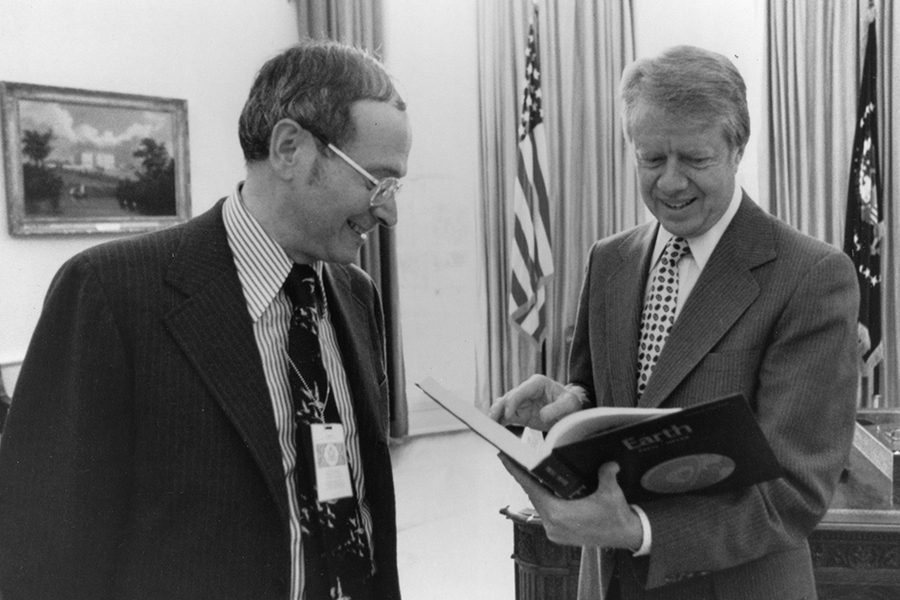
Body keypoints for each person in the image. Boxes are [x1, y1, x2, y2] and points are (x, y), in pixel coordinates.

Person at [0, 39, 411, 600]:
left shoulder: (357, 295)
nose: (388, 211)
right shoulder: (110, 294)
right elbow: (42, 553)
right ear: (290, 148)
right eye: (376, 181)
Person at [491, 45, 859, 600]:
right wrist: (568, 403)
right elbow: (611, 396)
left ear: (738, 149)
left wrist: (639, 530)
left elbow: (794, 491)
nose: (669, 183)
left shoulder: (812, 275)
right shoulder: (609, 259)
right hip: (610, 584)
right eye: (651, 159)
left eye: (694, 159)